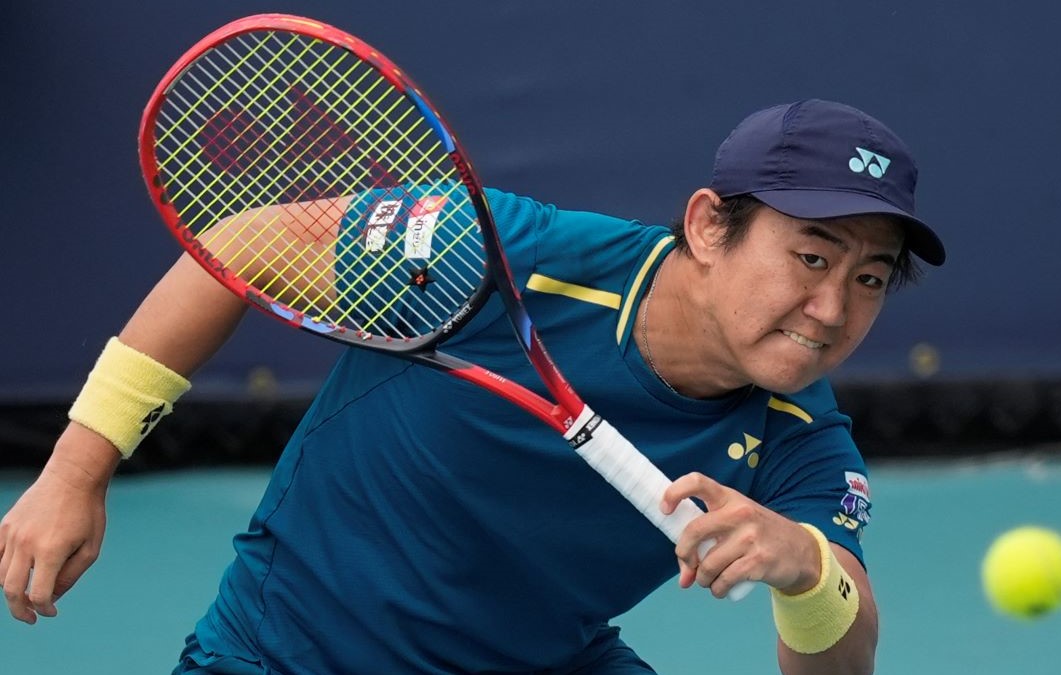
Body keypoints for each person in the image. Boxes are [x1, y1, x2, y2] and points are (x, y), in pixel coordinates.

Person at [1, 98, 945, 674]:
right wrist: (77, 469)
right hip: (291, 654)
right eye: (811, 256)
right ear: (707, 227)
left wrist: (805, 566)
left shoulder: (797, 433)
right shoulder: (501, 257)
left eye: (869, 278)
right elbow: (237, 249)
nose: (831, 307)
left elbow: (842, 656)